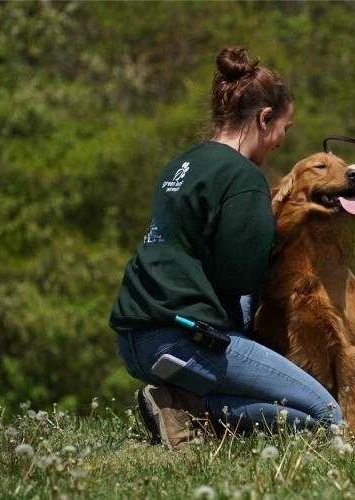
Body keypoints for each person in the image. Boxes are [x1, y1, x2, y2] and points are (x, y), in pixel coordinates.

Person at [109, 47, 341, 449]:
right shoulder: (243, 177)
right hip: (182, 341)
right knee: (327, 417)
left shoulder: (183, 163)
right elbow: (244, 279)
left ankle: (182, 402)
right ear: (264, 118)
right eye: (283, 130)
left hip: (133, 338)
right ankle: (186, 405)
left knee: (279, 398)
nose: (280, 143)